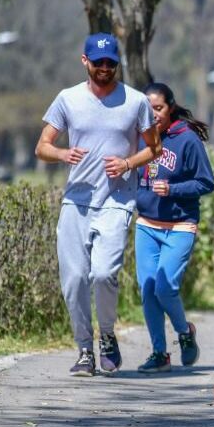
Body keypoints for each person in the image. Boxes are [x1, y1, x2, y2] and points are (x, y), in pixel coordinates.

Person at [36, 33, 160, 377]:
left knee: (104, 274)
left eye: (110, 63)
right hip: (76, 201)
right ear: (85, 61)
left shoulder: (136, 102)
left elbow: (155, 148)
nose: (105, 68)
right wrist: (62, 153)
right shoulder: (68, 99)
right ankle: (84, 349)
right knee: (74, 279)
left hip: (117, 201)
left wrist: (127, 163)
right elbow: (42, 146)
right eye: (98, 62)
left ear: (117, 64)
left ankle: (106, 335)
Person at [133, 83, 214, 373]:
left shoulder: (187, 139)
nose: (154, 114)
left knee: (165, 287)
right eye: (149, 109)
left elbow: (206, 182)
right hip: (146, 225)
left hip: (180, 226)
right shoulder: (141, 136)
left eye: (159, 108)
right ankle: (159, 353)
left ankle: (184, 332)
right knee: (148, 288)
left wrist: (173, 188)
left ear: (170, 108)